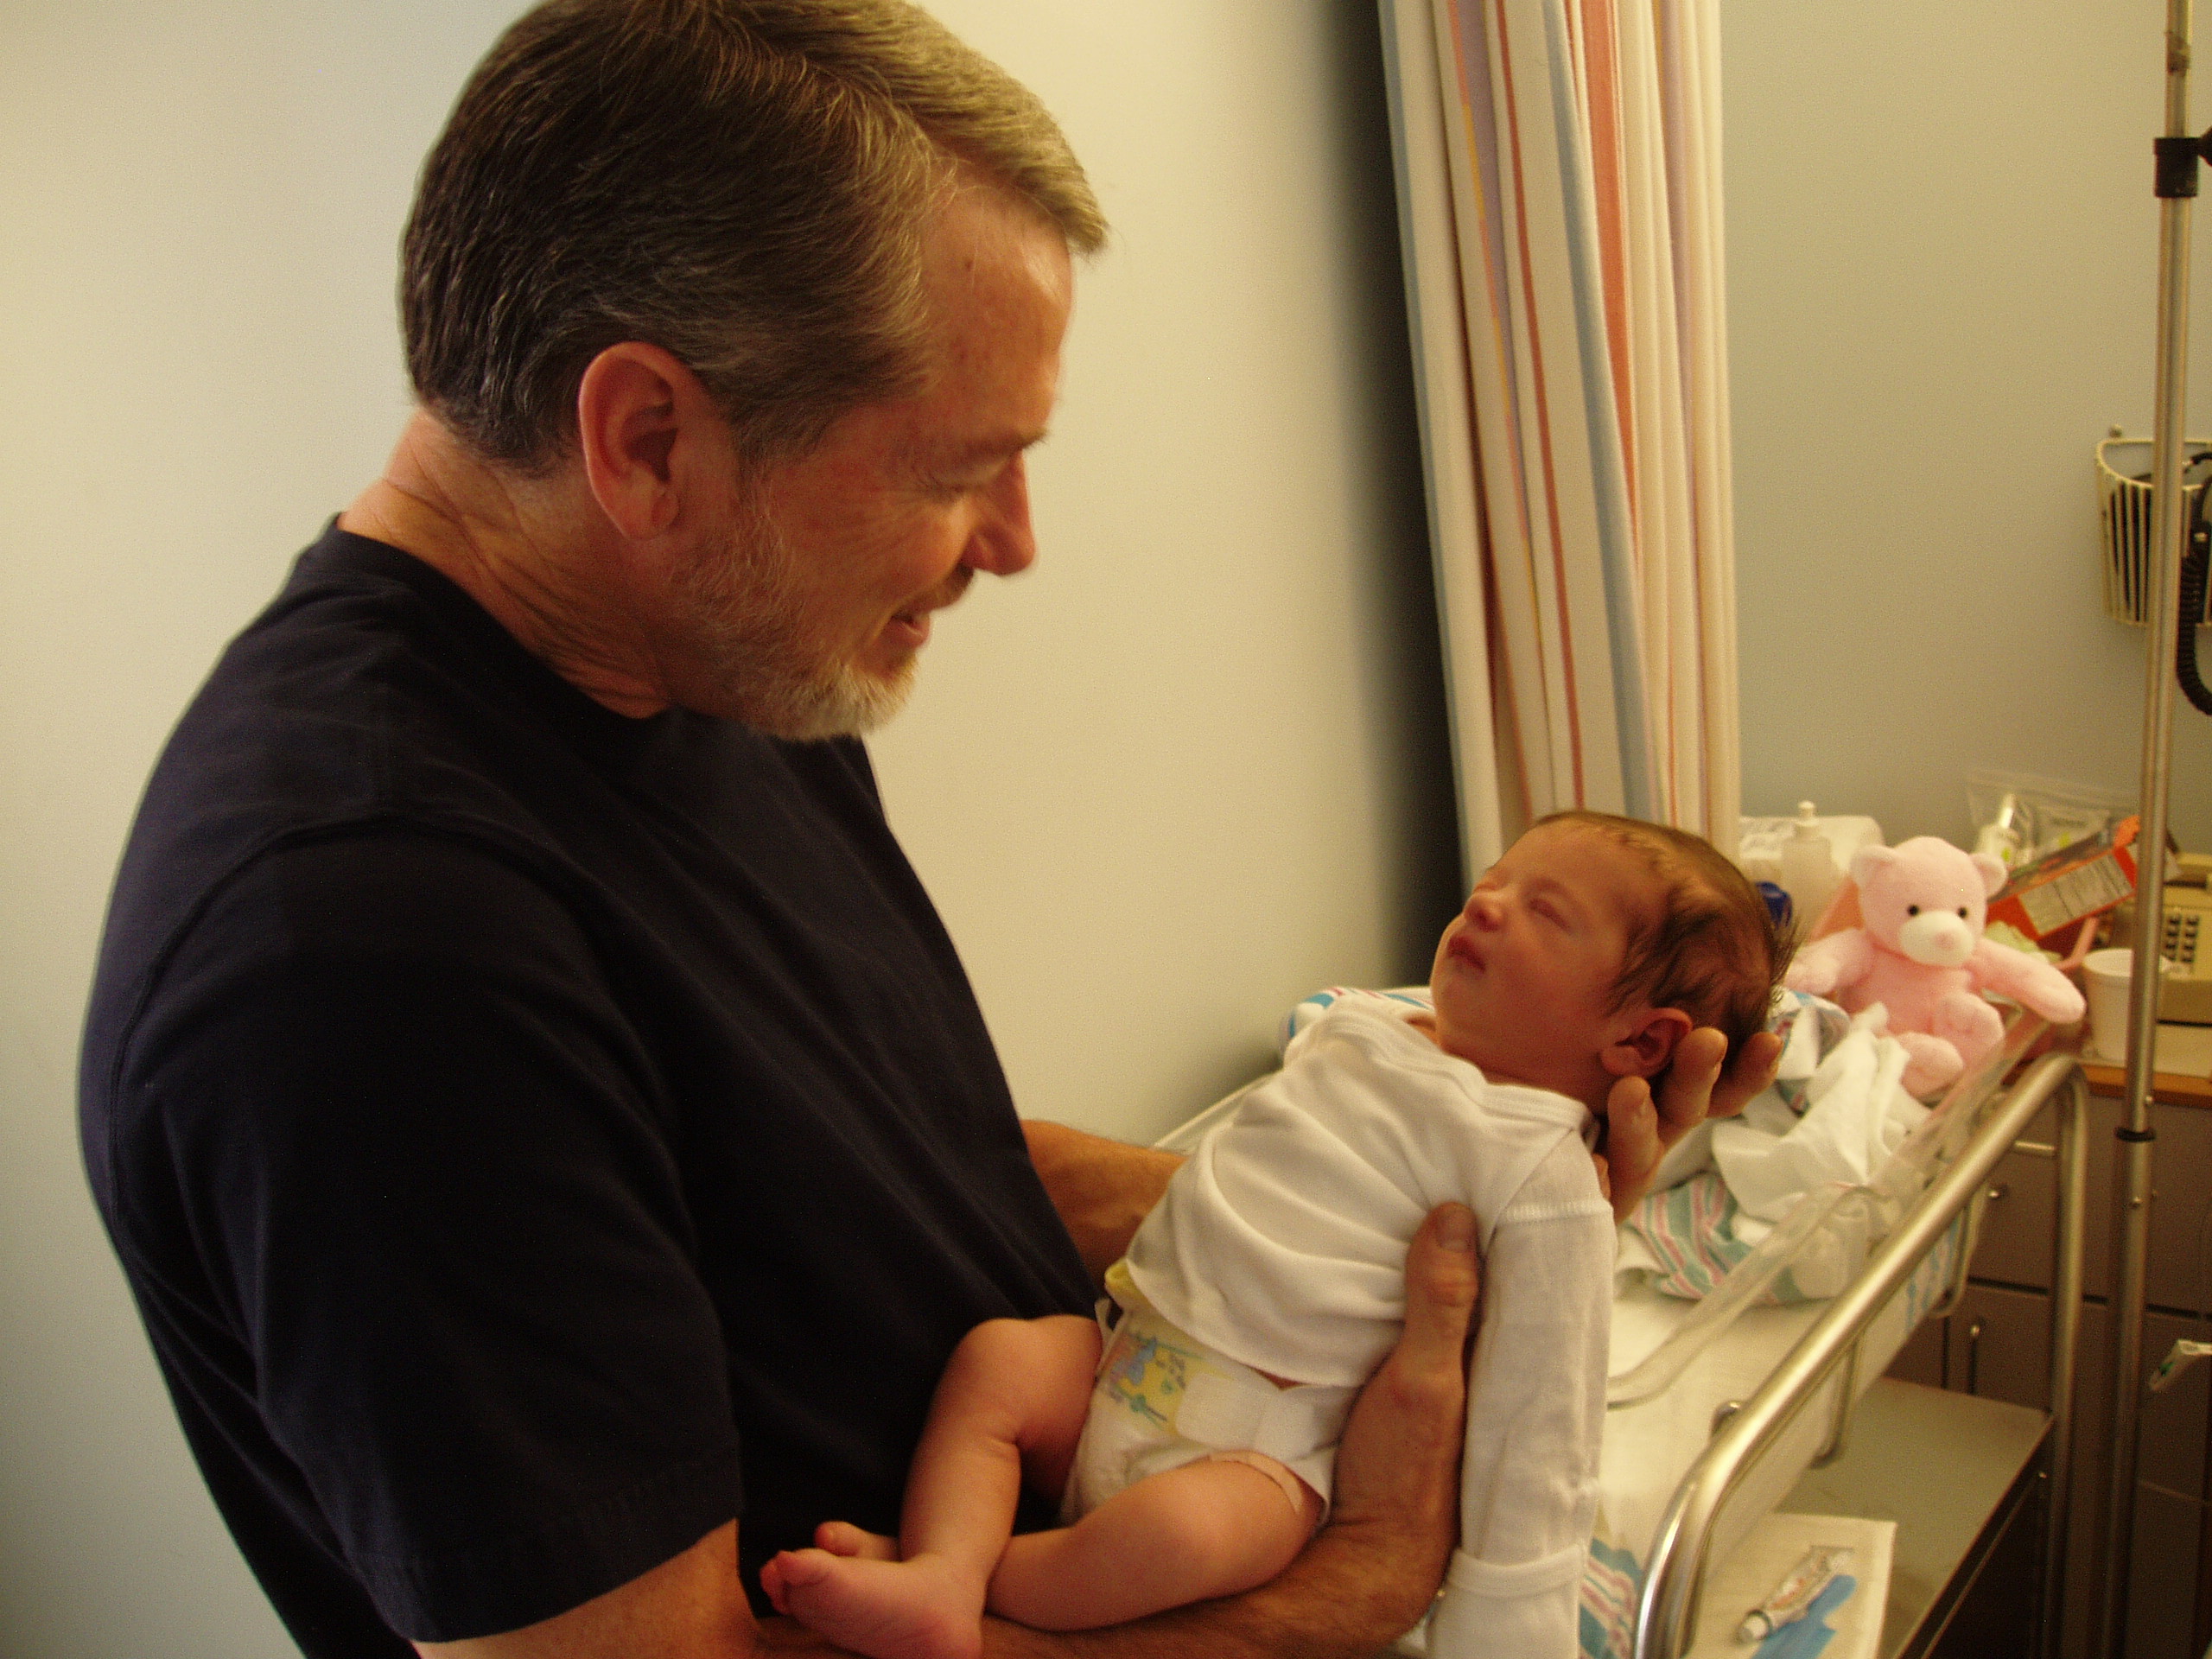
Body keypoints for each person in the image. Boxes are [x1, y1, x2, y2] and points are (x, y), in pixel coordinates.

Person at [77, 4, 1781, 1657]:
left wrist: (1399, 1218)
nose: (1011, 541)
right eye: (957, 468)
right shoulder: (363, 956)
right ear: (649, 439)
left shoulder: (711, 659)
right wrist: (1358, 1578)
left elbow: (848, 1158)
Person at [759, 813, 1788, 1659]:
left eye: (1544, 913)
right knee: (1003, 1359)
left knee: (1173, 1536)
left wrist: (1507, 1622)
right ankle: (941, 1571)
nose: (1484, 905)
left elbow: (1540, 1420)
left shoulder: (1540, 1172)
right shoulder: (1365, 1030)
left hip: (1255, 1453)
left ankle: (979, 1590)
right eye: (1494, 883)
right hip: (1120, 1360)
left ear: (1641, 1040)